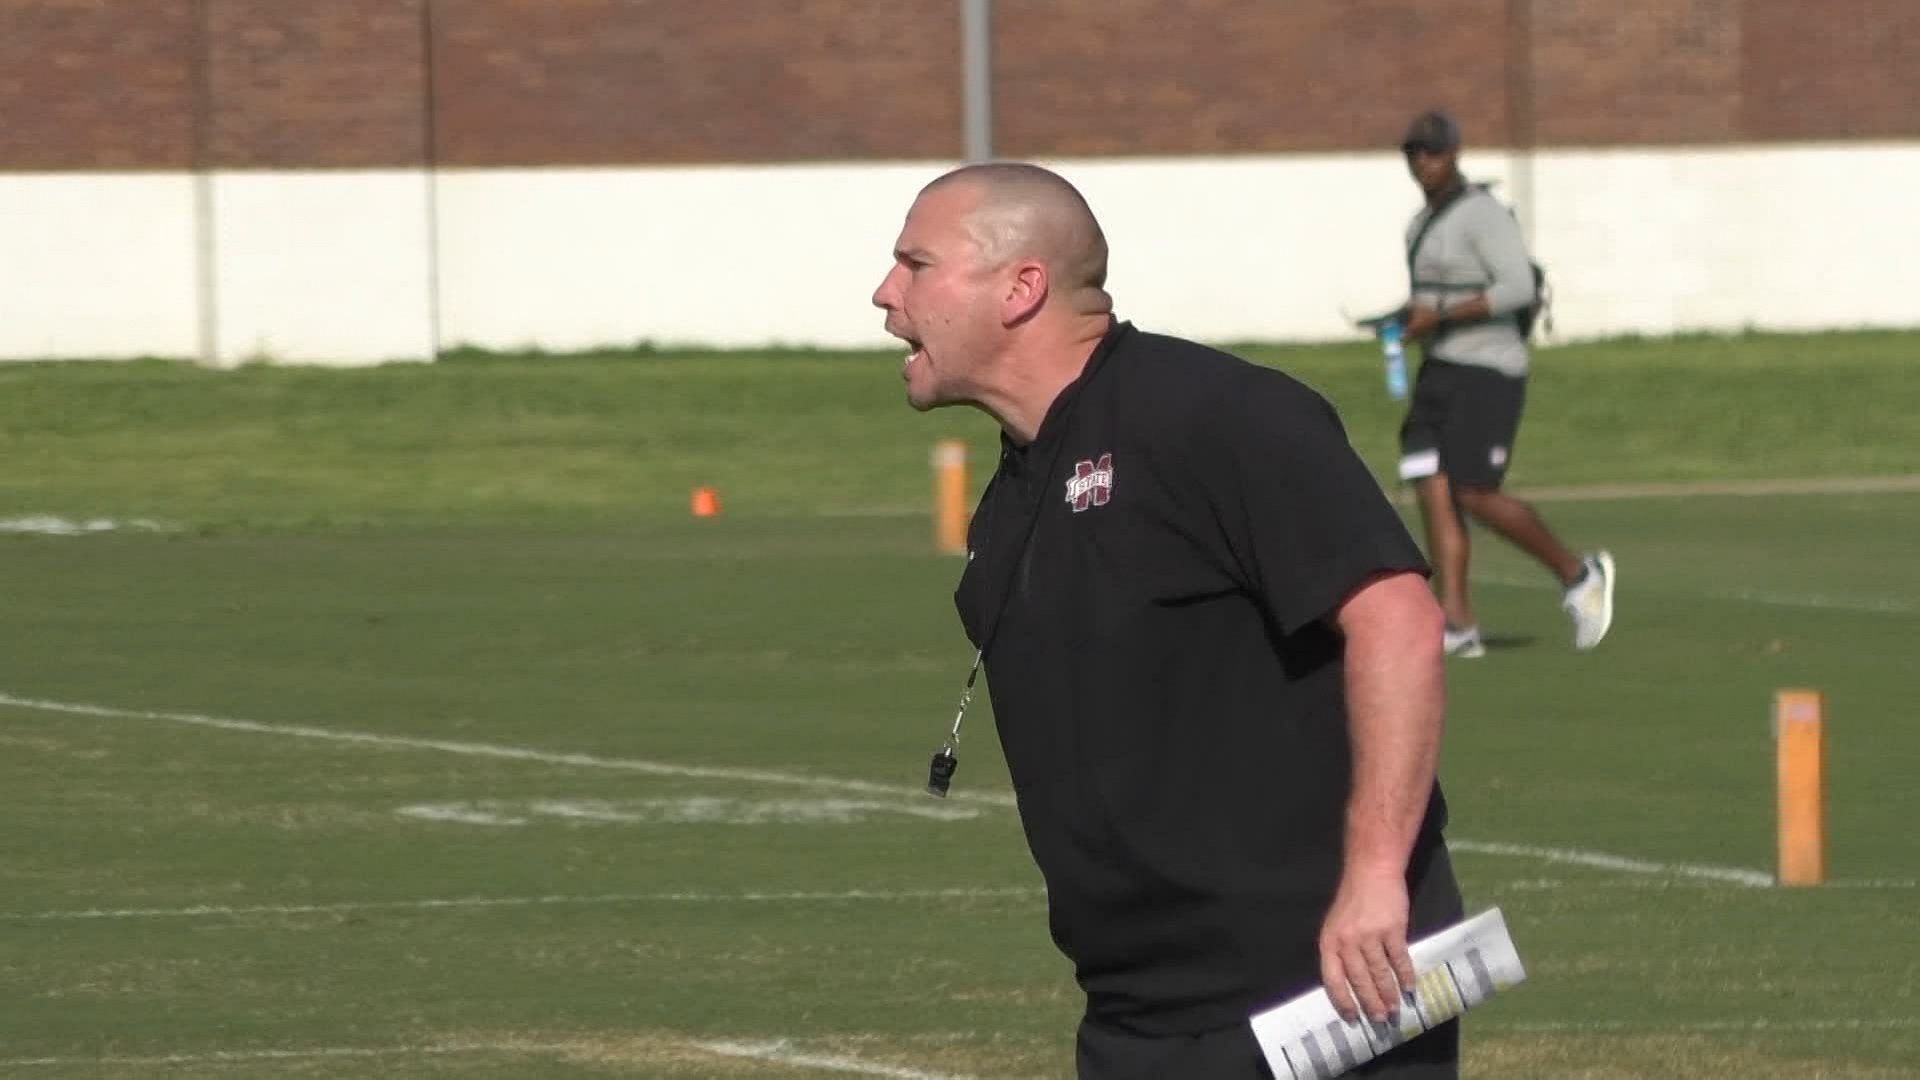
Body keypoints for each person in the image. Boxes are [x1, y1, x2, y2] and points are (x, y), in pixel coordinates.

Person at [872, 162, 1464, 1079]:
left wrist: (1376, 877)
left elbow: (1400, 620)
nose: (885, 293)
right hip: (1138, 1018)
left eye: (915, 264)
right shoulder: (1014, 493)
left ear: (1021, 287)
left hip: (1332, 994)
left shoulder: (1216, 416)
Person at [1393, 109, 1615, 658]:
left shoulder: (1483, 214)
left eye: (1434, 152)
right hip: (1439, 370)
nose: (1425, 162)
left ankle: (1578, 575)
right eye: (1415, 154)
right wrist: (1405, 319)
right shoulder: (1418, 226)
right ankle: (1456, 621)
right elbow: (1431, 298)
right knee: (1431, 486)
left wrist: (1439, 319)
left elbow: (1516, 286)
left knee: (1474, 491)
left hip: (1488, 370)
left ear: (1454, 154)